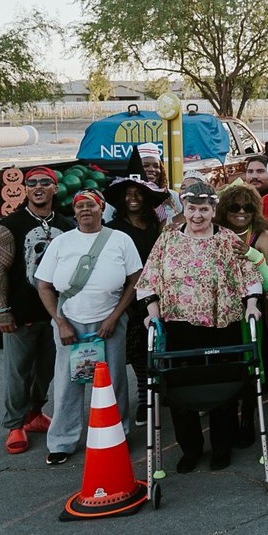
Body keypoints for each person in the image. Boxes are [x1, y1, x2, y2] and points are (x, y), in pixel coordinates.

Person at [137, 181, 265, 472]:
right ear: (184, 207)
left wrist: (253, 303)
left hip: (222, 323)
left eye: (204, 209)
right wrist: (151, 309)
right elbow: (150, 275)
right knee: (181, 388)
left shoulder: (227, 238)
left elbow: (248, 269)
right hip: (180, 324)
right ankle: (191, 448)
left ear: (213, 209)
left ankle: (222, 446)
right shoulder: (168, 238)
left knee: (223, 385)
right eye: (192, 208)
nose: (197, 215)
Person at [36, 189, 142, 465]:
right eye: (80, 206)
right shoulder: (61, 243)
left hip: (109, 321)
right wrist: (60, 323)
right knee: (67, 384)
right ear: (74, 212)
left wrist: (114, 317)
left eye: (91, 205)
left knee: (113, 381)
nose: (85, 210)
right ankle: (62, 441)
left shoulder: (120, 240)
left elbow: (135, 280)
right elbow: (44, 285)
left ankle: (116, 435)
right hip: (69, 322)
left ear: (102, 209)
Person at [0, 166, 73, 455]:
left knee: (46, 371)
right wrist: (2, 310)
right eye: (32, 183)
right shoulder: (10, 225)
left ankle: (34, 413)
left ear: (55, 188)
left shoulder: (66, 225)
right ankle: (15, 424)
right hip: (21, 313)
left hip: (55, 315)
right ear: (24, 189)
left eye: (45, 182)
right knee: (18, 372)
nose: (38, 186)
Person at [214, 183, 268, 443]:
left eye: (247, 208)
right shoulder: (214, 233)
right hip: (219, 311)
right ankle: (226, 420)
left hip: (250, 311)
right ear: (224, 210)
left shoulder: (262, 236)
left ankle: (248, 419)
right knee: (225, 366)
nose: (241, 212)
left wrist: (252, 254)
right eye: (234, 208)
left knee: (252, 366)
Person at [105, 175, 170, 425]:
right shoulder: (114, 228)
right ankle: (145, 397)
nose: (133, 198)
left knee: (162, 343)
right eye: (128, 194)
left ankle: (162, 389)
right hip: (129, 294)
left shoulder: (156, 225)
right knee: (139, 350)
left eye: (138, 193)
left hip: (161, 290)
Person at [138, 142, 184, 222]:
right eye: (145, 165)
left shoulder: (172, 196)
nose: (152, 169)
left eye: (156, 166)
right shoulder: (128, 196)